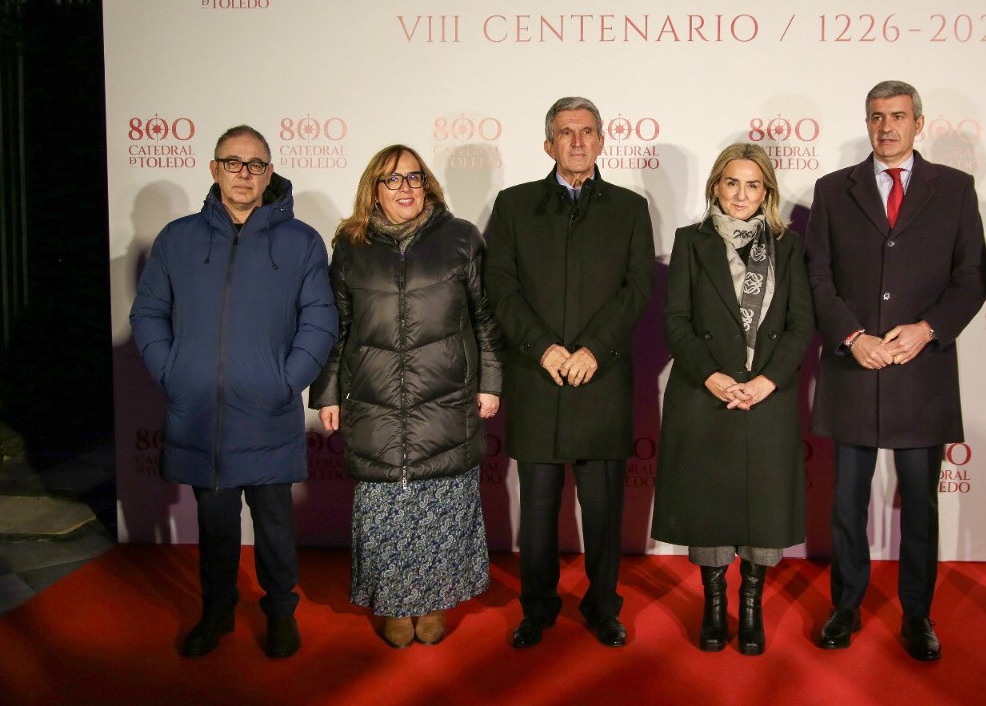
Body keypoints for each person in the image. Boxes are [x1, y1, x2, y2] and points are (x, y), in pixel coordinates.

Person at [130, 125, 337, 658]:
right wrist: (173, 371)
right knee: (216, 525)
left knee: (273, 525)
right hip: (200, 414)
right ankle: (216, 613)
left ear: (270, 173)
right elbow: (148, 312)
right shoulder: (178, 238)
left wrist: (286, 381)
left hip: (268, 410)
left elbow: (320, 320)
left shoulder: (301, 241)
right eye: (233, 163)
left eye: (256, 165)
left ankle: (280, 614)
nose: (244, 174)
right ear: (213, 168)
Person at [806, 80, 986, 661]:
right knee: (846, 505)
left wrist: (929, 328)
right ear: (867, 122)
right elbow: (818, 278)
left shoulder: (956, 190)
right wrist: (852, 336)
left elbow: (972, 278)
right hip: (854, 368)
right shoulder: (834, 191)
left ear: (919, 123)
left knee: (921, 504)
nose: (887, 127)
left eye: (898, 117)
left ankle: (918, 616)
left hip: (922, 370)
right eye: (877, 117)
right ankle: (845, 607)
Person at [309, 145, 501, 649]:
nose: (406, 189)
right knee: (385, 508)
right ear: (374, 188)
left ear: (429, 184)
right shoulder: (350, 247)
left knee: (442, 505)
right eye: (393, 180)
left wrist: (490, 383)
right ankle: (394, 603)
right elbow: (337, 326)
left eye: (414, 178)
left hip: (446, 398)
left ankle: (435, 601)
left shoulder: (461, 239)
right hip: (374, 400)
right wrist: (327, 391)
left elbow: (485, 319)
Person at [485, 96, 654, 649]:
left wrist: (593, 351)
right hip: (538, 381)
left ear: (602, 141)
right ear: (547, 144)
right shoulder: (513, 206)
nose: (577, 142)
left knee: (604, 513)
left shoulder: (630, 208)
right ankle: (537, 608)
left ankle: (604, 607)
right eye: (565, 132)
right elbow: (500, 288)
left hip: (600, 382)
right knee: (536, 513)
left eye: (587, 132)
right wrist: (544, 349)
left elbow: (637, 291)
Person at [651, 143, 814, 656]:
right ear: (715, 186)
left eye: (753, 185)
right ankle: (714, 605)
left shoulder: (787, 247)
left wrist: (768, 380)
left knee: (763, 509)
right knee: (710, 506)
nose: (741, 195)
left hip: (768, 395)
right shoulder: (690, 242)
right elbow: (675, 322)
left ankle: (750, 608)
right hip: (706, 394)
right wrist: (712, 376)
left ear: (766, 191)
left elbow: (800, 323)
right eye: (732, 183)